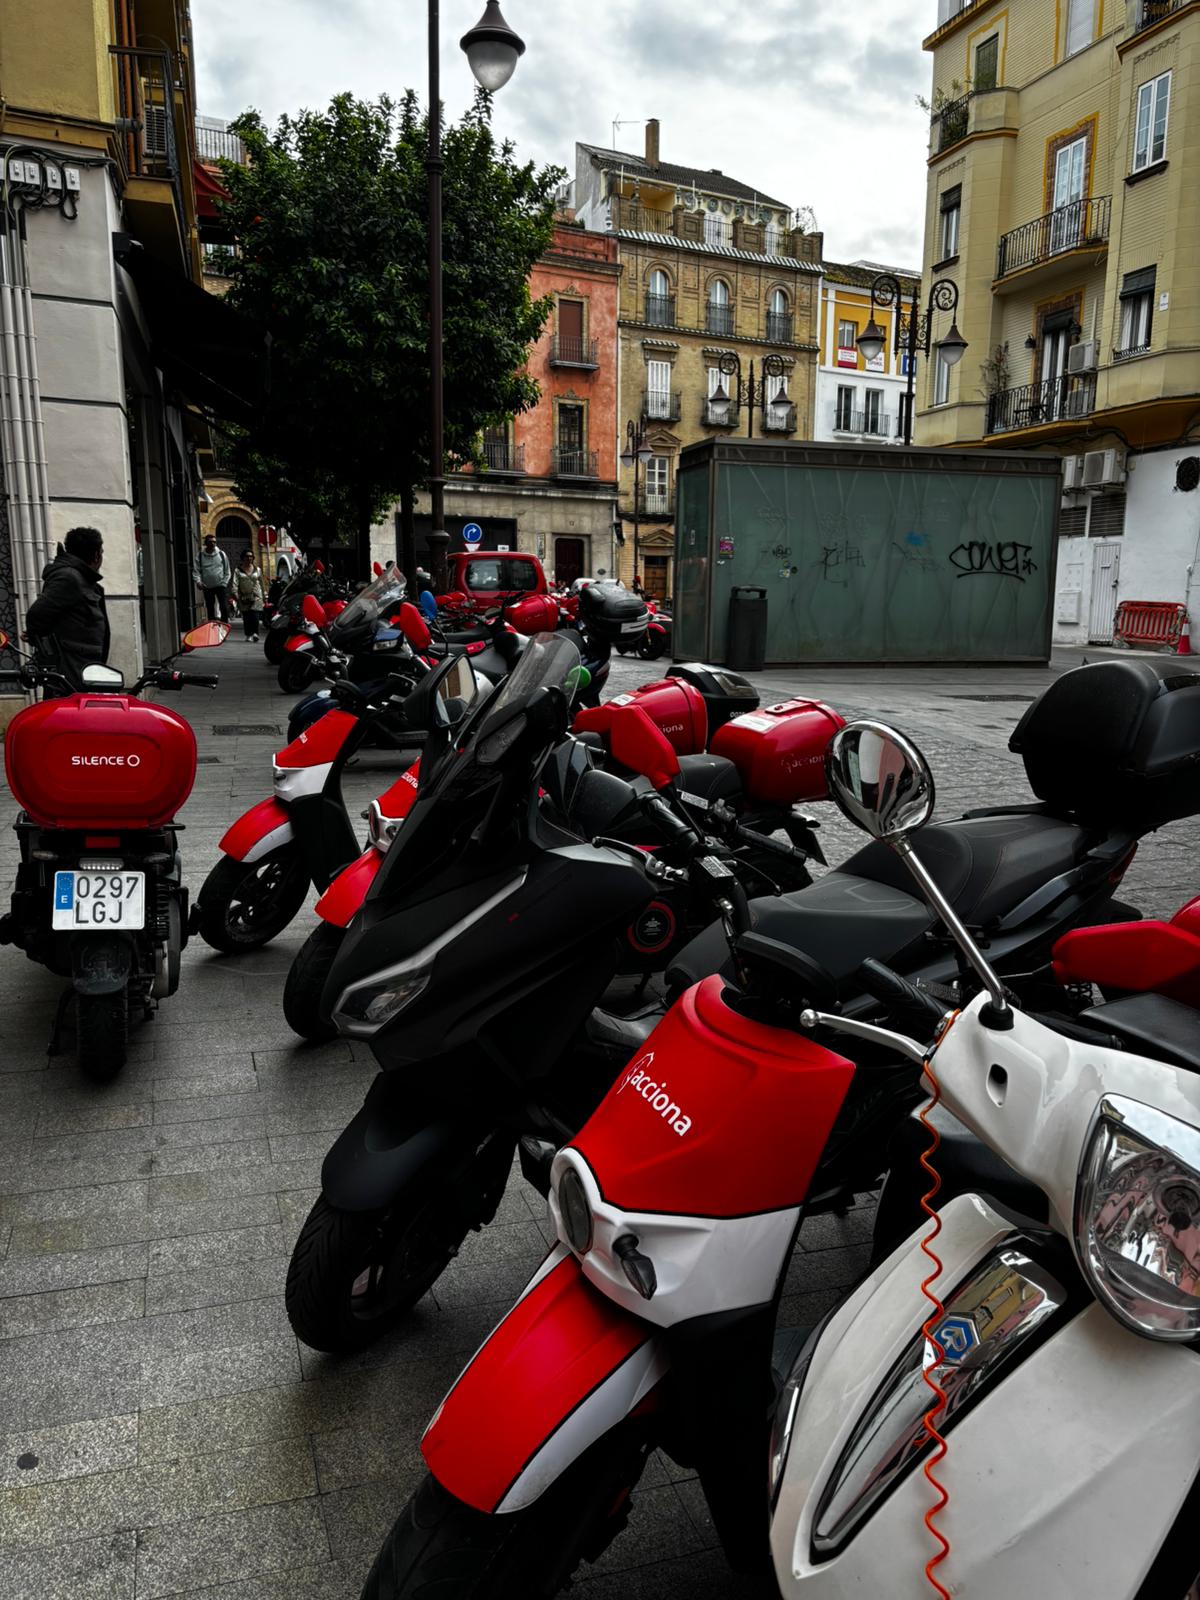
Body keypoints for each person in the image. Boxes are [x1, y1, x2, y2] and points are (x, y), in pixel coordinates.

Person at [26, 526, 110, 691]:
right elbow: (36, 615)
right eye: (101, 552)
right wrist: (38, 637)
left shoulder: (82, 578)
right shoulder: (69, 578)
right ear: (96, 555)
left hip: (84, 669)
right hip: (71, 673)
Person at [193, 534, 231, 622]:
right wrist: (198, 582)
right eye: (210, 542)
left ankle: (225, 625)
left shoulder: (221, 554)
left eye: (214, 542)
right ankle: (212, 626)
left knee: (224, 607)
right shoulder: (200, 556)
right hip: (207, 587)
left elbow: (227, 570)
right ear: (206, 543)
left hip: (220, 585)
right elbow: (196, 571)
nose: (213, 544)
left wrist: (224, 583)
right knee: (210, 608)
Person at [231, 552, 265, 642]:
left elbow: (261, 583)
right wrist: (235, 592)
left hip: (256, 595)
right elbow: (235, 582)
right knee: (247, 616)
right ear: (243, 558)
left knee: (255, 615)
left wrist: (264, 595)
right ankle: (248, 634)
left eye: (251, 556)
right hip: (244, 596)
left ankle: (255, 633)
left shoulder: (257, 569)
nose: (249, 558)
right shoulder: (238, 570)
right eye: (247, 556)